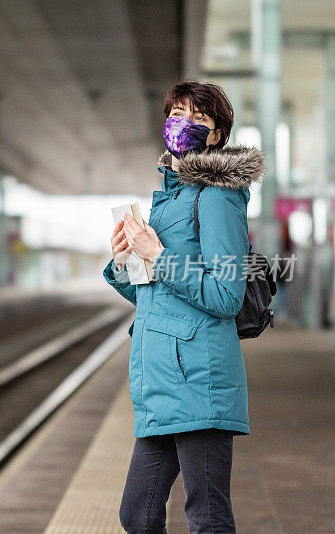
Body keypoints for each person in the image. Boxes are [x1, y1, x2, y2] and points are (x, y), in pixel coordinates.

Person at [103, 81, 266, 533]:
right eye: (177, 113)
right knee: (137, 515)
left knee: (206, 516)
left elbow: (226, 294)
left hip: (200, 378)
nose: (183, 125)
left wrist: (158, 255)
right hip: (162, 383)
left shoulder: (218, 197)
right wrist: (126, 261)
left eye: (199, 119)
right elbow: (152, 296)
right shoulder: (167, 201)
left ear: (216, 136)